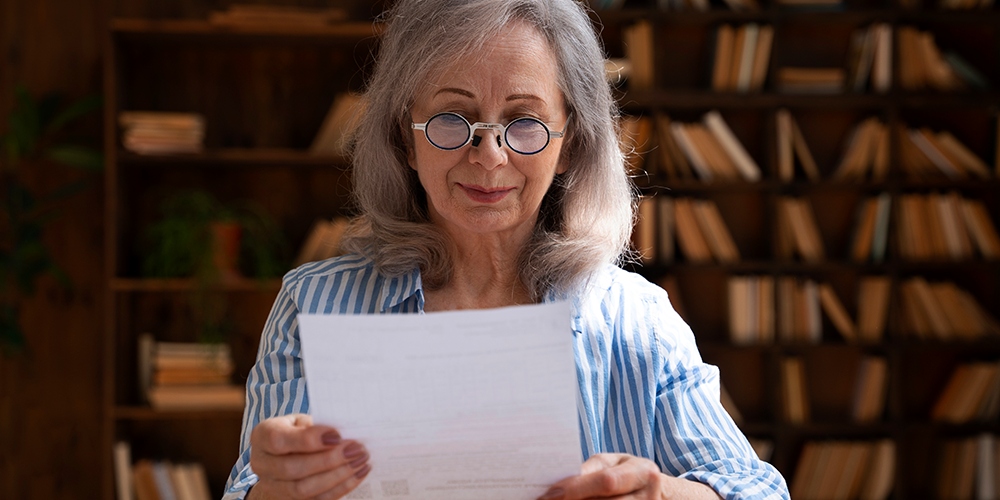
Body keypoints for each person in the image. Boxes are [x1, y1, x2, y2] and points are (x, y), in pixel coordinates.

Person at [224, 0, 790, 498]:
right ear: (405, 136)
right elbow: (250, 490)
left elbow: (758, 491)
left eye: (524, 122)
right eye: (453, 119)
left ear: (570, 144)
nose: (489, 156)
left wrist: (662, 495)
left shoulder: (636, 319)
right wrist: (278, 492)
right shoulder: (315, 305)